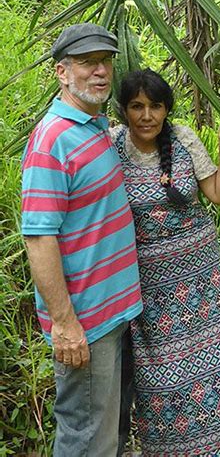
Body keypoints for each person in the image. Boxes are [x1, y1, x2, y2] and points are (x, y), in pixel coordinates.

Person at [21, 23, 143, 457]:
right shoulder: (51, 140)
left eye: (106, 61)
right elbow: (38, 238)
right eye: (88, 62)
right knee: (86, 439)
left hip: (116, 313)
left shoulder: (94, 127)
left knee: (110, 433)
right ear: (62, 72)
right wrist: (65, 324)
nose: (101, 71)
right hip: (86, 325)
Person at [113, 68, 220, 457]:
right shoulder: (111, 145)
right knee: (158, 378)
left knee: (211, 367)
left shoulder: (183, 139)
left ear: (167, 109)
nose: (147, 115)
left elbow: (219, 195)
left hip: (199, 281)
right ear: (123, 110)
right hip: (148, 284)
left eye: (155, 106)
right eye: (137, 106)